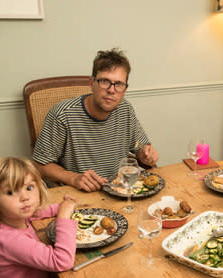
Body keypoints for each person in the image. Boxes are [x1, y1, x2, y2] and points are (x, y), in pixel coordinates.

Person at [33, 48, 159, 192]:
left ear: (124, 89)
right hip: (79, 194)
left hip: (119, 190)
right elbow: (40, 165)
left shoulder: (125, 109)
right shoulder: (62, 115)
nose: (112, 90)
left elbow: (141, 147)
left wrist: (146, 154)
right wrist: (74, 178)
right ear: (91, 83)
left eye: (119, 84)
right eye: (105, 81)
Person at [0, 157, 78, 278]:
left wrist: (59, 207)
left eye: (29, 188)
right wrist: (63, 218)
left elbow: (36, 213)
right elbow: (62, 261)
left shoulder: (11, 218)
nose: (25, 197)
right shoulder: (10, 241)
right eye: (10, 192)